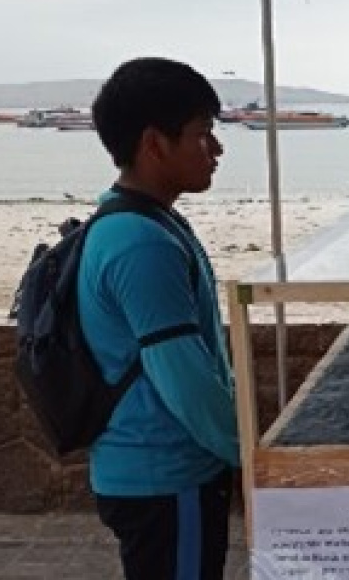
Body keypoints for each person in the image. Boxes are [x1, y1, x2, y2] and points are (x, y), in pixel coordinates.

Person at [80, 57, 239, 580]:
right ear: (154, 143)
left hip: (155, 475)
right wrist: (250, 456)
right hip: (165, 477)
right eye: (202, 135)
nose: (215, 150)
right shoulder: (141, 242)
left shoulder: (144, 221)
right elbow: (184, 377)